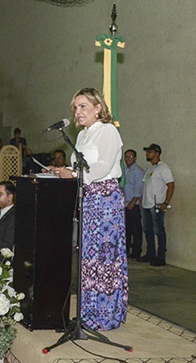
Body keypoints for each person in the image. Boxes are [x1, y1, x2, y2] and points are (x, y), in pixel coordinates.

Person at [47, 87, 127, 331]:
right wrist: (62, 172)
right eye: (75, 107)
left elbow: (103, 166)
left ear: (98, 108)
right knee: (88, 256)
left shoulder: (107, 130)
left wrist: (72, 174)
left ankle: (105, 315)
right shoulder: (82, 136)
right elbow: (80, 168)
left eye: (83, 106)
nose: (78, 112)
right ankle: (88, 312)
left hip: (106, 198)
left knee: (104, 256)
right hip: (88, 198)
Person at [139, 143, 175, 267]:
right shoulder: (150, 168)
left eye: (150, 152)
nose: (147, 154)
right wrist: (142, 200)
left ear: (157, 153)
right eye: (147, 152)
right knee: (148, 230)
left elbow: (171, 185)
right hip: (146, 205)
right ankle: (150, 254)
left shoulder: (163, 168)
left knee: (158, 230)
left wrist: (166, 202)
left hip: (157, 205)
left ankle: (161, 257)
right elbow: (147, 186)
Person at [122, 149, 144, 260]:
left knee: (135, 229)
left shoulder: (138, 171)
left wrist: (133, 201)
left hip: (133, 204)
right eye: (126, 157)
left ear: (135, 158)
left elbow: (139, 188)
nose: (128, 159)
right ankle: (125, 250)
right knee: (126, 229)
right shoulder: (124, 170)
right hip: (124, 204)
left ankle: (136, 251)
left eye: (130, 157)